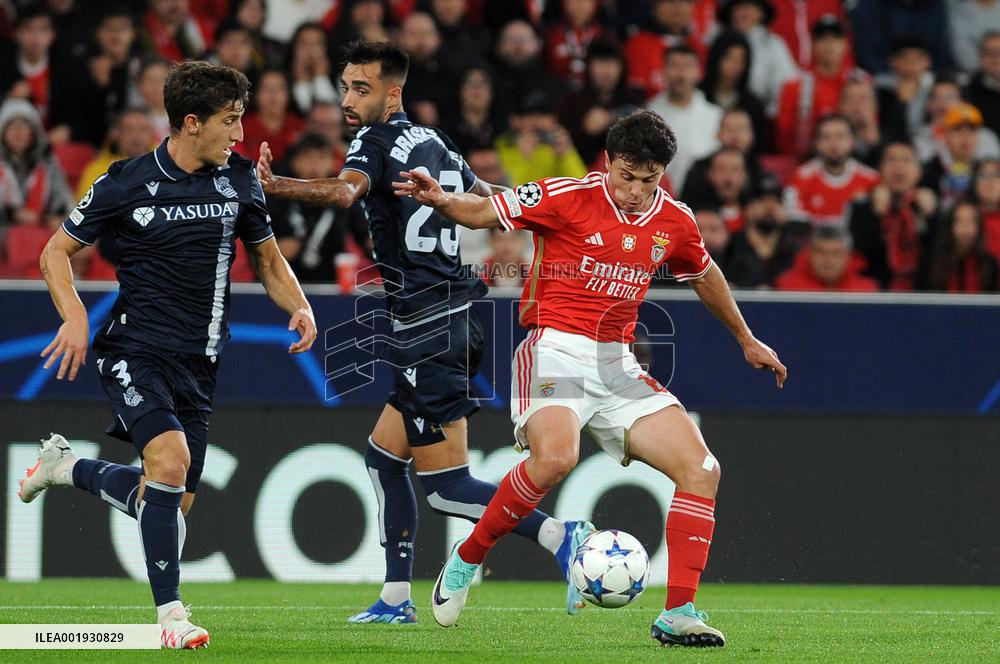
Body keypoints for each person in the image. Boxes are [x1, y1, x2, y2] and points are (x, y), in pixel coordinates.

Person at [394, 109, 787, 646]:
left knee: (702, 469)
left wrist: (746, 337)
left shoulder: (674, 220)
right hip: (554, 349)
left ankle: (678, 613)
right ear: (608, 163)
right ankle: (466, 559)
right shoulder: (566, 196)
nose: (634, 190)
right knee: (556, 458)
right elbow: (485, 210)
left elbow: (703, 271)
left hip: (618, 364)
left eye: (648, 180)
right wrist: (443, 201)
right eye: (626, 176)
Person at [254, 40, 592, 624]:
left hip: (428, 325)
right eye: (345, 87)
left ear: (393, 92)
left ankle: (564, 537)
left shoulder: (374, 142)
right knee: (384, 457)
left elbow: (342, 192)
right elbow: (490, 199)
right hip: (453, 314)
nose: (348, 100)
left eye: (361, 88)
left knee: (446, 488)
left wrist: (275, 184)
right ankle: (393, 598)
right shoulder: (436, 141)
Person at [17, 61, 317, 649]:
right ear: (189, 123)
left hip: (200, 363)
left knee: (167, 503)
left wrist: (299, 305)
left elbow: (266, 258)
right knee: (170, 465)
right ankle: (171, 619)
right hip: (135, 349)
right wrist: (75, 317)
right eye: (229, 121)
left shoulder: (239, 180)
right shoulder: (124, 182)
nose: (238, 134)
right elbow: (56, 252)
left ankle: (64, 468)